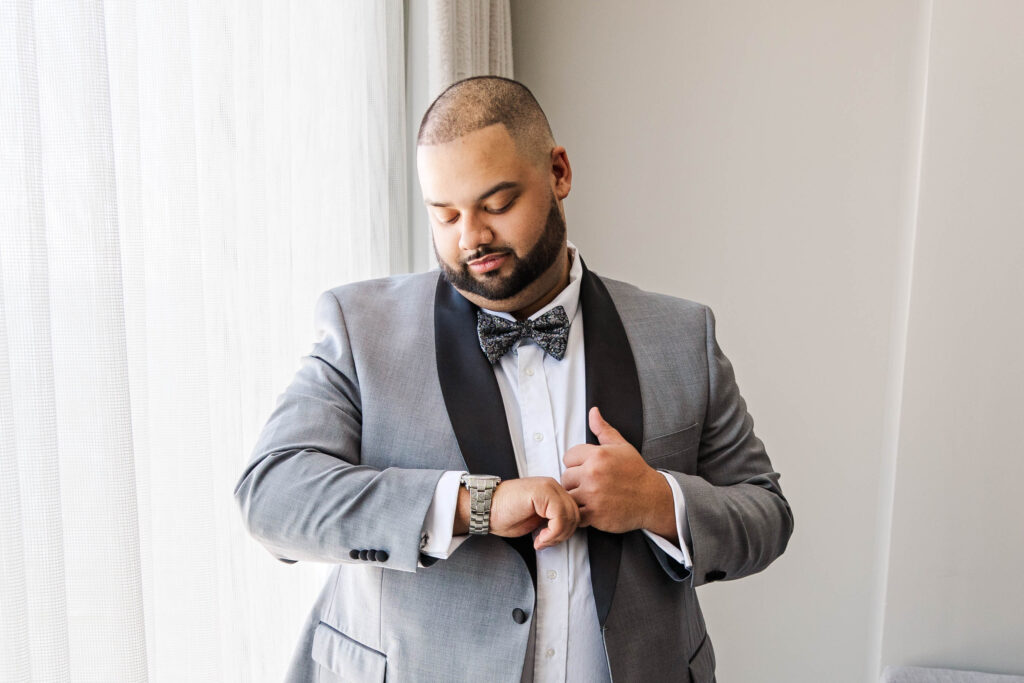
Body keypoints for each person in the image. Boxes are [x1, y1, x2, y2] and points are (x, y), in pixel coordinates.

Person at [234, 76, 793, 683]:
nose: (470, 238)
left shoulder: (682, 335)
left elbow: (765, 512)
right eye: (445, 215)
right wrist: (474, 506)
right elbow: (273, 495)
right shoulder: (360, 330)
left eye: (496, 205)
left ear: (559, 174)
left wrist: (660, 501)